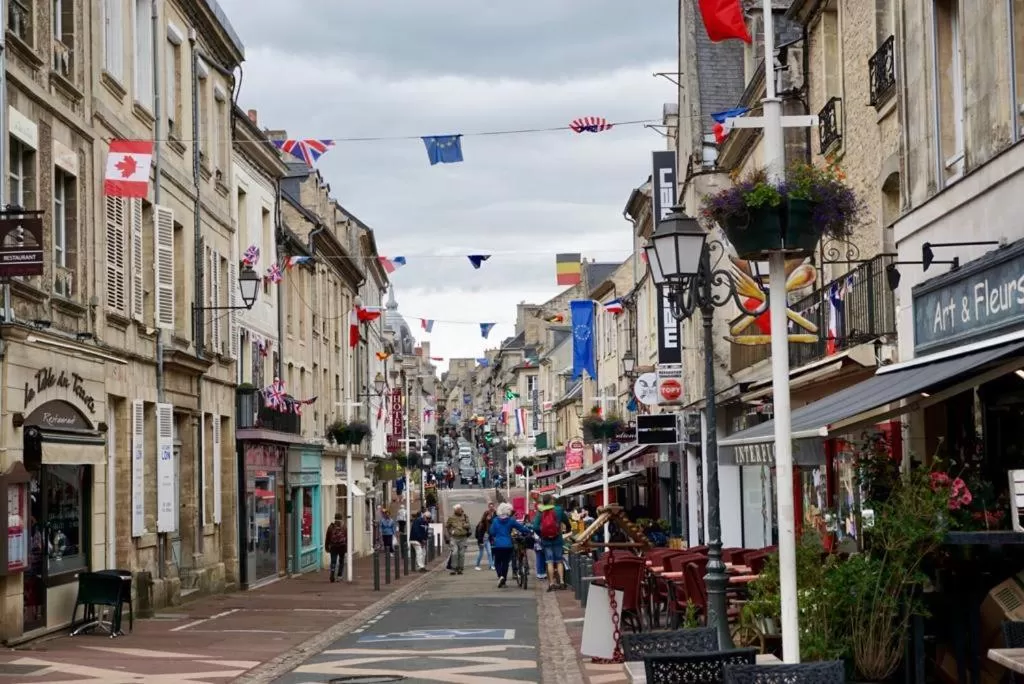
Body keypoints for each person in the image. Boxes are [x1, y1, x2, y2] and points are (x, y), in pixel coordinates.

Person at [532, 493, 571, 591]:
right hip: (557, 539)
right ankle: (562, 582)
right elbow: (567, 522)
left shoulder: (540, 511)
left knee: (549, 561)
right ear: (551, 501)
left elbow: (535, 527)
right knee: (559, 561)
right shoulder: (558, 510)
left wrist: (542, 534)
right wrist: (567, 529)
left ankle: (552, 583)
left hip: (546, 540)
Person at [488, 502, 532, 588]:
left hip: (497, 544)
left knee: (497, 561)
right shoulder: (510, 520)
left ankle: (500, 576)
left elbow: (492, 532)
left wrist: (496, 535)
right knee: (505, 563)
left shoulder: (495, 520)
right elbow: (521, 528)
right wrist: (529, 531)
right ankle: (503, 579)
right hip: (508, 544)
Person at [445, 504, 472, 575]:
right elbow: (447, 526)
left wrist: (465, 525)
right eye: (459, 509)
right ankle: (453, 568)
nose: (461, 510)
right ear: (455, 510)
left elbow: (469, 525)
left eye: (461, 509)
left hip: (463, 538)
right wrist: (450, 533)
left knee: (461, 554)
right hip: (454, 538)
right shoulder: (451, 518)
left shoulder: (465, 517)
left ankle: (460, 568)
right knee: (454, 553)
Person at [324, 513, 348, 583]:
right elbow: (347, 538)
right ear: (341, 518)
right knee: (341, 561)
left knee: (333, 561)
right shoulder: (344, 527)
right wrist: (347, 547)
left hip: (333, 546)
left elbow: (327, 538)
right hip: (342, 546)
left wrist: (326, 547)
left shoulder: (331, 527)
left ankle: (332, 573)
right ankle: (339, 576)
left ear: (335, 518)